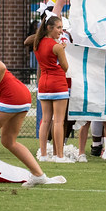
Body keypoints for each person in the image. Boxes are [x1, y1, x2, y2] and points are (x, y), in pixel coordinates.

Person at [0, 50, 63, 188]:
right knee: (8, 141)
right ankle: (39, 175)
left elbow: (1, 67)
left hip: (13, 96)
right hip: (19, 96)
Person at [33, 15, 70, 163]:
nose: (61, 31)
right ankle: (59, 156)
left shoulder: (37, 43)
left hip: (43, 84)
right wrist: (62, 50)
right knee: (58, 121)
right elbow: (65, 67)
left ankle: (43, 155)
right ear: (49, 28)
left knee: (45, 120)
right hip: (58, 84)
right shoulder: (56, 46)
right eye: (59, 28)